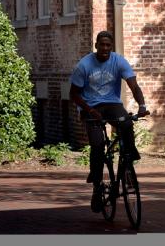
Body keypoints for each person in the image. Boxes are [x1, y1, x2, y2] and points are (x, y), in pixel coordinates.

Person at [69, 30, 149, 213]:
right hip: (91, 107)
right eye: (102, 44)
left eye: (108, 45)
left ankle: (128, 157)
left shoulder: (119, 61)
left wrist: (142, 106)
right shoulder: (84, 65)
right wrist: (89, 110)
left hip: (112, 104)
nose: (105, 48)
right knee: (97, 146)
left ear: (111, 47)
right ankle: (97, 185)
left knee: (127, 122)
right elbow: (73, 94)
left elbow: (134, 86)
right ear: (96, 45)